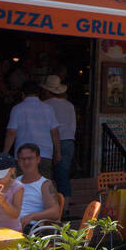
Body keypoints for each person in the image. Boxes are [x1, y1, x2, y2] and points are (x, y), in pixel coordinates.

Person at [2, 81, 61, 180]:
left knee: (22, 189)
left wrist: (5, 153)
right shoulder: (48, 109)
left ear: (22, 94)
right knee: (44, 188)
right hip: (44, 155)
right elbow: (55, 132)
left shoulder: (17, 109)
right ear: (38, 94)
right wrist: (58, 152)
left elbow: (11, 133)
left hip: (23, 156)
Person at [41, 75, 76, 214]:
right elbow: (73, 125)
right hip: (69, 140)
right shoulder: (69, 105)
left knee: (45, 176)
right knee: (63, 174)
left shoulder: (45, 105)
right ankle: (65, 206)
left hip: (51, 141)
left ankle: (50, 207)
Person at [11, 143, 62, 235]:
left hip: (29, 229)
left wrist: (31, 216)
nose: (26, 162)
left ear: (38, 159)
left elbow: (55, 212)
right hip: (9, 226)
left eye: (30, 158)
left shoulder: (45, 184)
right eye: (23, 159)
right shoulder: (14, 182)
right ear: (18, 162)